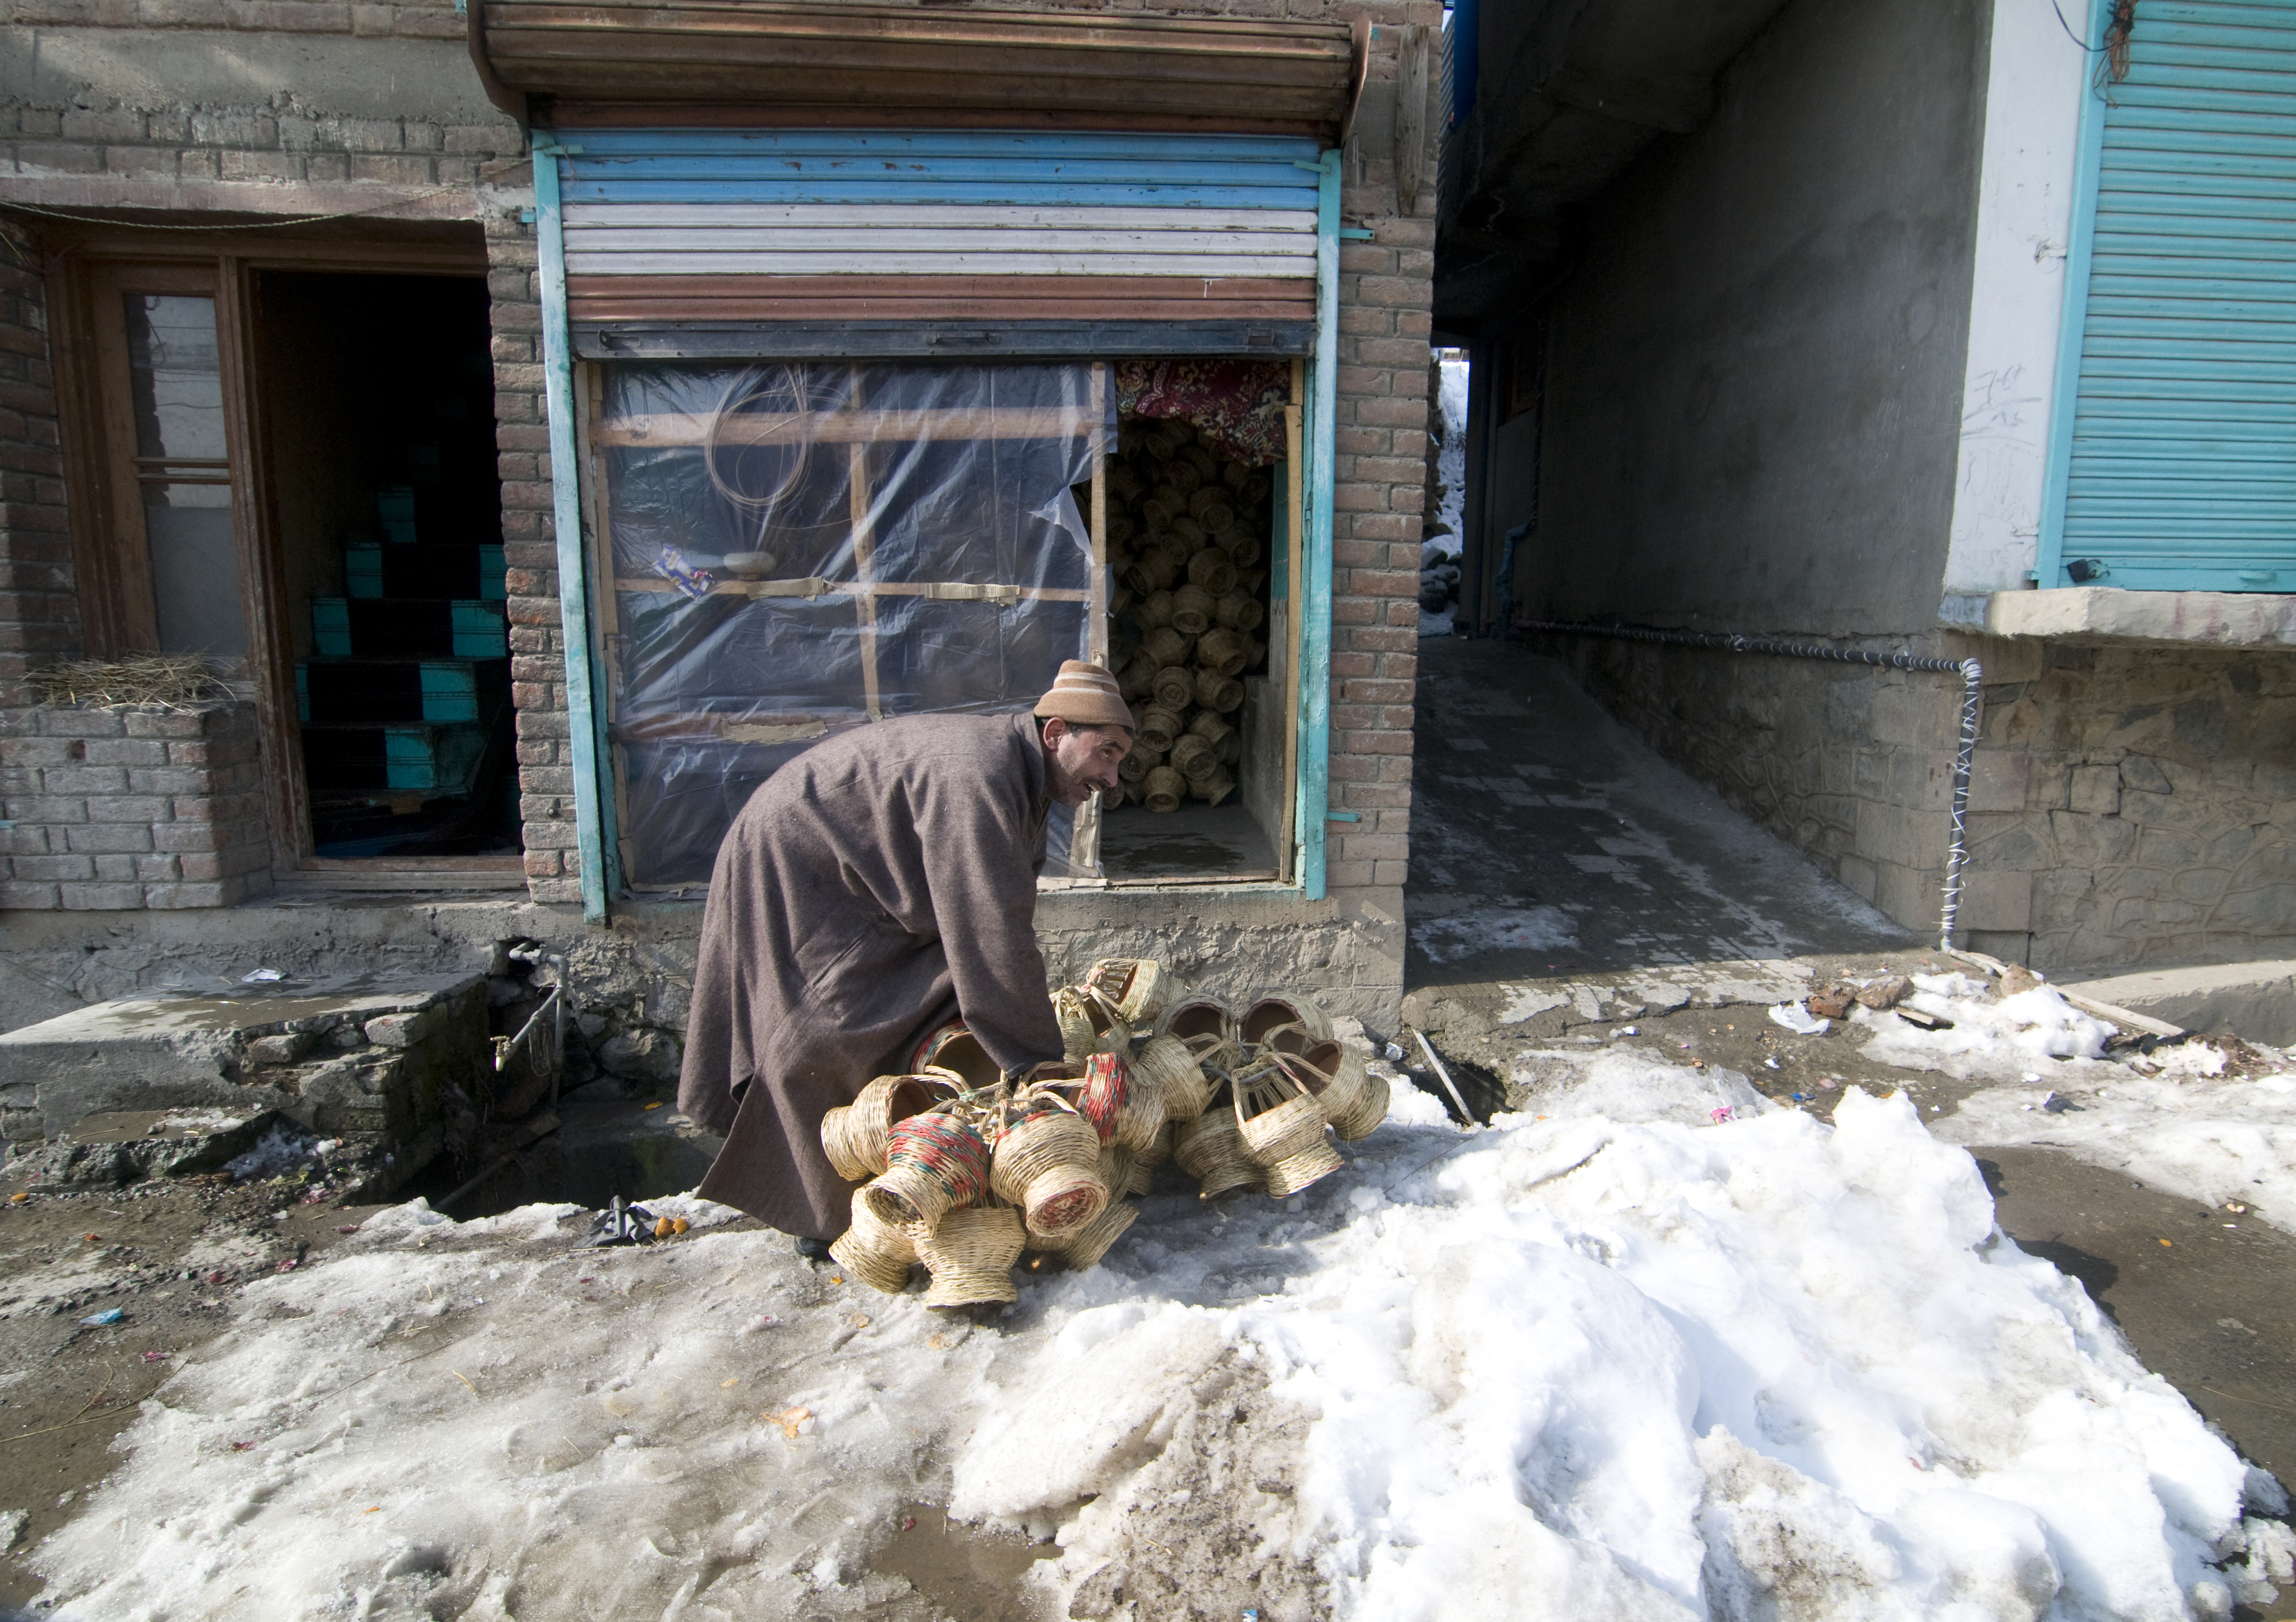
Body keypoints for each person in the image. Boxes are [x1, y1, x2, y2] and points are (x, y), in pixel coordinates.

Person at [678, 660, 1135, 1251]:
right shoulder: (982, 773)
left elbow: (1004, 912)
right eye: (1106, 752)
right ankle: (823, 1216)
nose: (1113, 776)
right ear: (1055, 734)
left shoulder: (1019, 778)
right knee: (828, 1025)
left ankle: (889, 1167)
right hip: (796, 853)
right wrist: (1037, 1066)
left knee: (930, 992)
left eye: (1120, 760)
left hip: (849, 869)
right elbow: (989, 929)